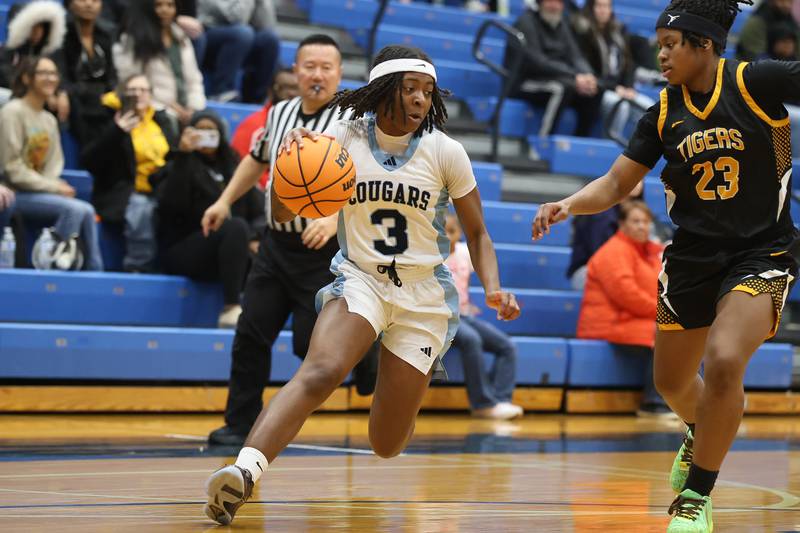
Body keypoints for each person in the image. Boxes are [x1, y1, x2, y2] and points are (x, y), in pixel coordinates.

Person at [202, 43, 520, 526]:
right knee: (322, 369)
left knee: (386, 444)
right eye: (410, 88)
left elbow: (477, 233)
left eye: (427, 90)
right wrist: (289, 174)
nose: (420, 98)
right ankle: (243, 473)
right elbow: (284, 211)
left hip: (423, 297)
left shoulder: (445, 151)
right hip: (361, 279)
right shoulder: (343, 135)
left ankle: (405, 393)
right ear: (384, 89)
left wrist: (493, 287)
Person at [532, 0, 799, 530]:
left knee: (724, 359)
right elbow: (617, 182)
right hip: (691, 256)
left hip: (760, 251)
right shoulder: (660, 112)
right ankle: (700, 429)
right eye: (659, 45)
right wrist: (568, 204)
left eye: (671, 45)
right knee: (673, 383)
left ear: (704, 45)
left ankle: (696, 497)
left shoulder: (754, 81)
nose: (661, 55)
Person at [200, 35, 376, 447]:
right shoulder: (279, 113)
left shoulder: (355, 120)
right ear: (295, 71)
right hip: (276, 246)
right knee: (250, 333)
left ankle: (369, 353)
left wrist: (332, 219)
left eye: (326, 68)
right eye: (309, 66)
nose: (317, 75)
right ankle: (239, 424)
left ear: (339, 74)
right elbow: (256, 159)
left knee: (307, 343)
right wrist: (224, 201)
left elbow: (368, 181)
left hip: (325, 254)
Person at [157, 110, 264, 327]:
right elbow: (172, 207)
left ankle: (262, 317)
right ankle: (231, 307)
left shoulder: (233, 167)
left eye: (211, 131)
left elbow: (259, 210)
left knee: (264, 250)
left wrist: (254, 237)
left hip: (230, 251)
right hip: (186, 247)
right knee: (235, 227)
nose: (205, 135)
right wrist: (183, 155)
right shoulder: (177, 164)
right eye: (200, 130)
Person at [0, 56, 103, 271]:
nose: (51, 78)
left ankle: (94, 274)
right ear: (27, 78)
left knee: (86, 210)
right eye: (43, 73)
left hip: (38, 192)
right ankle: (53, 266)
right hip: (13, 192)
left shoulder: (49, 119)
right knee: (74, 210)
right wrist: (53, 187)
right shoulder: (12, 112)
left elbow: (53, 165)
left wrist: (52, 187)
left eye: (54, 73)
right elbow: (12, 168)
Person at [575, 200, 672, 417]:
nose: (642, 226)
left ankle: (689, 403)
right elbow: (627, 295)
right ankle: (654, 404)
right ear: (622, 224)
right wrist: (664, 313)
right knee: (665, 333)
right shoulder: (614, 251)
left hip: (633, 320)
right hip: (609, 324)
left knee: (682, 333)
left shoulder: (649, 254)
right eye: (636, 221)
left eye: (646, 222)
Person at [81, 74, 179, 272]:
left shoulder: (162, 120)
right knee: (142, 208)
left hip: (160, 188)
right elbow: (89, 161)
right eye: (132, 90)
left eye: (143, 90)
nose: (138, 95)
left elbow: (173, 157)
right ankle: (138, 268)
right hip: (121, 191)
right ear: (122, 94)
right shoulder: (105, 116)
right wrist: (117, 131)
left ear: (150, 94)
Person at [444, 213, 522, 420]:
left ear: (459, 233)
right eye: (442, 231)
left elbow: (480, 262)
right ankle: (482, 404)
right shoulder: (431, 256)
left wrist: (470, 301)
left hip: (463, 315)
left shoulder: (464, 252)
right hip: (442, 318)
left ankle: (501, 400)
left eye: (452, 231)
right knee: (472, 339)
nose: (448, 236)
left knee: (506, 346)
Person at [506, 0, 602, 137]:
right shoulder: (526, 22)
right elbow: (537, 63)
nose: (555, 6)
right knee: (560, 88)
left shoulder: (562, 25)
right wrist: (574, 76)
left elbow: (576, 56)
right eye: (550, 1)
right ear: (540, 3)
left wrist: (588, 75)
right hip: (525, 82)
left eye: (559, 2)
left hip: (558, 78)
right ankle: (543, 140)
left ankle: (580, 140)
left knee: (593, 91)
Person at [571, 0, 655, 141]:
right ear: (591, 8)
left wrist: (629, 87)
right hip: (598, 89)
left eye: (607, 6)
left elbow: (628, 64)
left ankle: (636, 148)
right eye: (599, 6)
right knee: (620, 106)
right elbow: (587, 70)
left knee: (648, 108)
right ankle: (611, 145)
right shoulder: (583, 33)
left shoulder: (618, 31)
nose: (603, 10)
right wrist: (615, 88)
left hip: (619, 88)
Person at [113, 0, 206, 125]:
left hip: (187, 109)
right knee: (169, 122)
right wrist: (170, 106)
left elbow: (194, 79)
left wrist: (193, 108)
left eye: (170, 5)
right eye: (158, 5)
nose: (165, 10)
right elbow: (130, 83)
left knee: (211, 122)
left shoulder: (181, 36)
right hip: (153, 108)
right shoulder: (132, 40)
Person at [56, 0, 118, 146]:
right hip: (75, 96)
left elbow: (113, 75)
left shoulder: (108, 33)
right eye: (82, 0)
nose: (89, 4)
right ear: (70, 3)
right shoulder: (60, 33)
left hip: (103, 96)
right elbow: (59, 70)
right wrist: (62, 91)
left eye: (95, 0)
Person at [195, 0, 280, 103]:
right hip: (206, 34)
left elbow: (266, 24)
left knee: (270, 39)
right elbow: (233, 17)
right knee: (242, 33)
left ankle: (257, 98)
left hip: (242, 40)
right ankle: (221, 91)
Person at [230, 67, 299, 190]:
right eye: (284, 87)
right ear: (270, 91)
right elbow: (241, 164)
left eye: (296, 88)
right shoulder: (254, 125)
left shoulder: (309, 125)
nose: (291, 93)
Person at [566, 180, 643, 290]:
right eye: (634, 177)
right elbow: (601, 255)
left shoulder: (638, 212)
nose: (637, 182)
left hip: (618, 267)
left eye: (640, 179)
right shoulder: (602, 213)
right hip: (588, 269)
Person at [0, 1, 68, 117]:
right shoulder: (7, 52)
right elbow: (9, 79)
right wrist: (41, 92)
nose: (37, 31)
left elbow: (61, 78)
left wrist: (62, 93)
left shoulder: (49, 54)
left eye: (41, 26)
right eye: (32, 26)